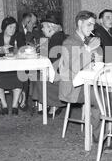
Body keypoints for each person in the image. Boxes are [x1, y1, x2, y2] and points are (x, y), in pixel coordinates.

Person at [59, 10, 103, 142]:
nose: (92, 28)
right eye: (89, 24)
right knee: (101, 95)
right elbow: (75, 67)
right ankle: (100, 134)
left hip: (88, 82)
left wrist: (98, 50)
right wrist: (89, 49)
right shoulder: (69, 42)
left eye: (93, 25)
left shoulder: (87, 40)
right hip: (74, 87)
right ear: (79, 23)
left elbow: (99, 61)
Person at [0, 16, 26, 115]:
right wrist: (1, 49)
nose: (12, 30)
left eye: (14, 28)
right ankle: (4, 105)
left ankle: (15, 106)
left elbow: (23, 50)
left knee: (19, 76)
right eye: (10, 27)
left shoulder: (18, 37)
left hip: (14, 68)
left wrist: (16, 51)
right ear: (4, 27)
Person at [31, 13, 66, 117]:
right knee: (36, 74)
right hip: (61, 70)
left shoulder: (57, 39)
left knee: (36, 76)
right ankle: (47, 103)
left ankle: (54, 104)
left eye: (44, 26)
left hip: (60, 73)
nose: (42, 29)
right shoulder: (58, 36)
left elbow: (54, 60)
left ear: (51, 27)